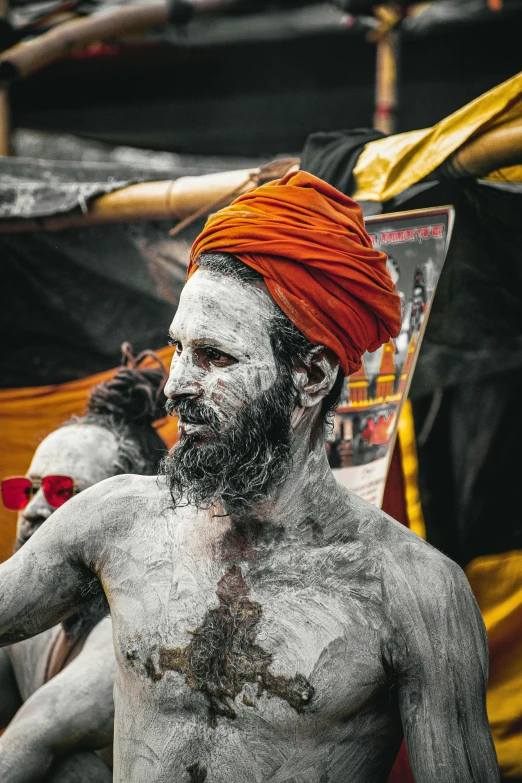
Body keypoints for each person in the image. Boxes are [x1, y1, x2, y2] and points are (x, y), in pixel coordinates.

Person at [0, 172, 499, 782]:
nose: (176, 385)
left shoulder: (414, 593)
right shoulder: (114, 521)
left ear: (310, 376)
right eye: (178, 347)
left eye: (214, 356)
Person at [0, 345, 167, 783]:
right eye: (26, 490)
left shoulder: (138, 629)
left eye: (61, 491)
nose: (34, 508)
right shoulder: (28, 618)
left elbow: (24, 744)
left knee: (68, 770)